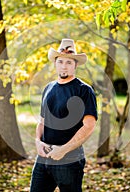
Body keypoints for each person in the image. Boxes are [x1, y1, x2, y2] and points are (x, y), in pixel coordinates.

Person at [30, 38, 98, 192]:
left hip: (69, 159)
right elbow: (42, 121)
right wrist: (38, 142)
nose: (64, 66)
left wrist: (63, 150)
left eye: (69, 62)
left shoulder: (84, 90)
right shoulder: (48, 88)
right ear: (55, 63)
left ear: (75, 65)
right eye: (60, 62)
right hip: (44, 157)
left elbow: (89, 125)